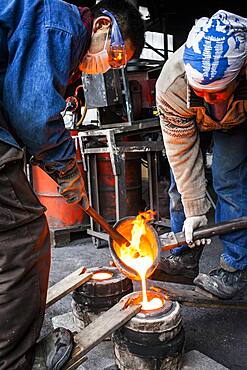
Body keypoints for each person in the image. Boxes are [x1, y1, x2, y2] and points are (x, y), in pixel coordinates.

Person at [0, 0, 144, 369]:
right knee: (23, 242)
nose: (107, 66)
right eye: (113, 54)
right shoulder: (62, 24)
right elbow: (32, 114)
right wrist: (66, 167)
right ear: (100, 25)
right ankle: (14, 360)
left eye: (116, 65)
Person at [156, 10, 247, 299]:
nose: (208, 100)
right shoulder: (172, 84)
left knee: (228, 178)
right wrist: (195, 210)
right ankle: (184, 253)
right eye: (201, 92)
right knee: (179, 181)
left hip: (239, 120)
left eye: (217, 93)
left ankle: (236, 267)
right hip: (187, 116)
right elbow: (182, 154)